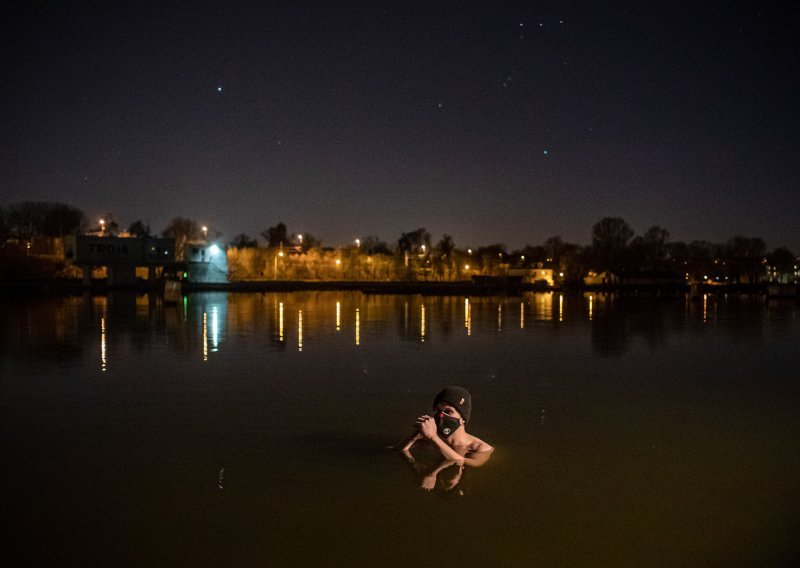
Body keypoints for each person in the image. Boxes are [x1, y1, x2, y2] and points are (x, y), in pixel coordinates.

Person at [396, 386, 494, 471]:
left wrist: (434, 438)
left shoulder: (481, 448)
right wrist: (413, 437)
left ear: (462, 419)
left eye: (449, 411)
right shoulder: (428, 439)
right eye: (438, 410)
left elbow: (467, 463)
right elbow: (397, 452)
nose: (441, 415)